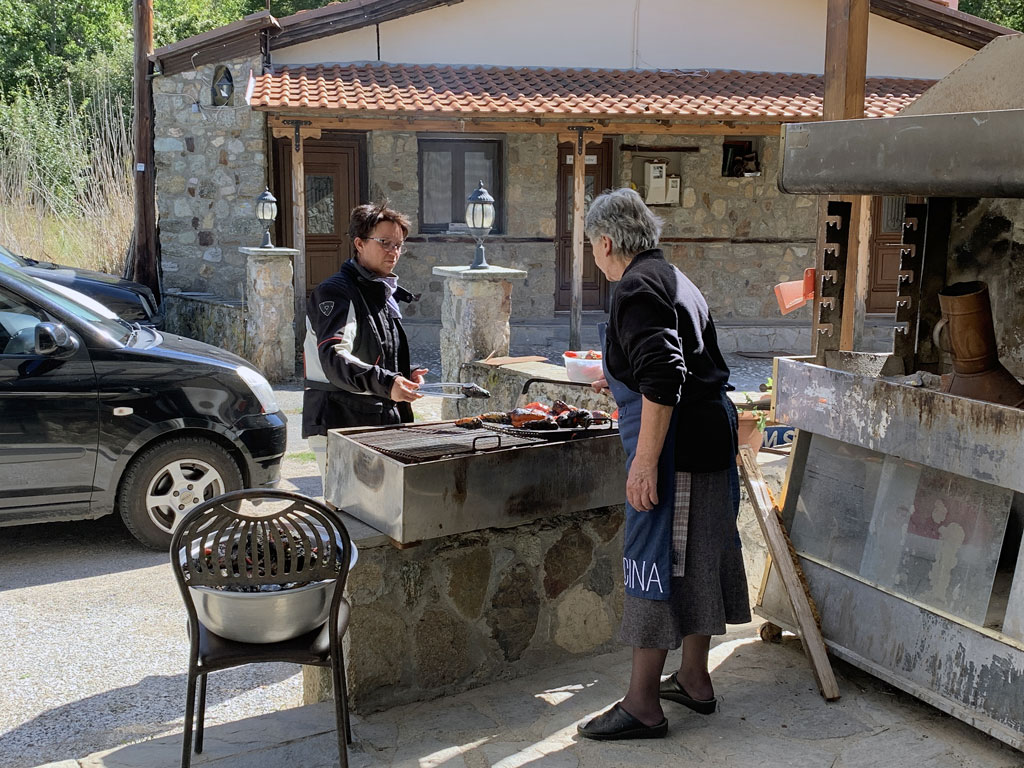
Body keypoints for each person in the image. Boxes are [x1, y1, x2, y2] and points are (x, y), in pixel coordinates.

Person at [576, 188, 750, 741]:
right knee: (698, 560)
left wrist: (645, 462)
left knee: (654, 563)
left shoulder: (635, 287)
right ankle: (695, 679)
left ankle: (643, 704)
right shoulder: (673, 277)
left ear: (606, 242)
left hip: (677, 453)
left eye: (592, 249)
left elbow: (665, 374)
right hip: (711, 441)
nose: (595, 260)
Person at [302, 202, 428, 477]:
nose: (393, 252)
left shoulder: (379, 291)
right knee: (351, 516)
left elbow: (373, 352)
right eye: (385, 242)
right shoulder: (335, 292)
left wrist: (403, 376)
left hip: (375, 420)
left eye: (398, 244)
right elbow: (335, 358)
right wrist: (387, 381)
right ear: (359, 244)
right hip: (341, 422)